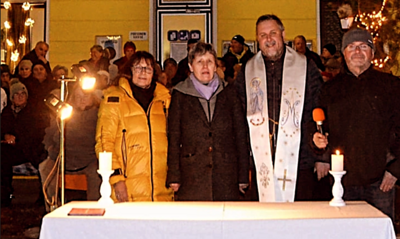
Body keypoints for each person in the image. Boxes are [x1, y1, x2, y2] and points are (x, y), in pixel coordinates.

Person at [313, 28, 400, 219]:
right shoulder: (330, 89)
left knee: (379, 230)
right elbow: (320, 128)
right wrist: (321, 154)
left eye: (363, 47)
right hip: (342, 180)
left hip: (381, 180)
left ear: (372, 53)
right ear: (344, 53)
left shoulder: (392, 86)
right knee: (345, 230)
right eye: (352, 47)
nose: (357, 51)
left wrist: (395, 169)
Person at [235, 14, 324, 202]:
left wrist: (320, 156)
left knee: (299, 217)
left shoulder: (305, 66)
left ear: (283, 35)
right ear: (257, 40)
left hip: (300, 160)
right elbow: (239, 115)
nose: (268, 39)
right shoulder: (247, 70)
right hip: (260, 160)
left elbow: (317, 107)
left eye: (273, 33)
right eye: (263, 35)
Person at [167, 41, 249, 201]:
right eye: (200, 62)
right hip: (192, 176)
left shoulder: (230, 92)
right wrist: (174, 175)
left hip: (226, 175)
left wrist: (243, 176)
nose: (205, 66)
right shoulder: (179, 94)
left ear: (215, 66)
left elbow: (240, 135)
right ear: (191, 67)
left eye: (209, 61)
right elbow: (174, 137)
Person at [95, 51, 173, 202]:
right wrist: (116, 178)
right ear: (130, 71)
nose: (143, 73)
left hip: (162, 189)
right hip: (128, 187)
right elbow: (105, 142)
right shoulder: (114, 99)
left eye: (148, 69)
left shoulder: (164, 101)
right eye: (138, 68)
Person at [40, 84, 101, 209]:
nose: (82, 99)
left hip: (88, 159)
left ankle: (94, 209)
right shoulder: (64, 112)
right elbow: (49, 134)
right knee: (45, 168)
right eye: (78, 96)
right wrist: (50, 148)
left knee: (96, 174)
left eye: (85, 96)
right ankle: (53, 207)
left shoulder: (98, 114)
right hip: (63, 157)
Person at [1, 82, 49, 206]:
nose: (20, 96)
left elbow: (37, 132)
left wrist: (17, 139)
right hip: (12, 148)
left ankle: (44, 195)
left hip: (30, 147)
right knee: (2, 156)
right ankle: (5, 194)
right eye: (16, 94)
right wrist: (5, 135)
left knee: (42, 158)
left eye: (23, 94)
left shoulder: (34, 112)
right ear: (11, 97)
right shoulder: (7, 112)